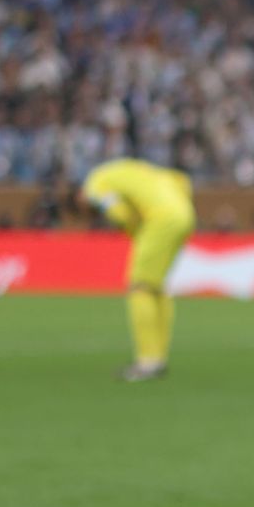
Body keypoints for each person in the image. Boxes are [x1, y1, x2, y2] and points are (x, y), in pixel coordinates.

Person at [76, 158, 197, 381]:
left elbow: (119, 213)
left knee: (139, 286)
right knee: (155, 287)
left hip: (161, 219)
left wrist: (132, 229)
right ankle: (158, 357)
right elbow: (181, 181)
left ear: (79, 196)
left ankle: (148, 361)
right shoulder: (129, 169)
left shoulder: (94, 184)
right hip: (184, 212)